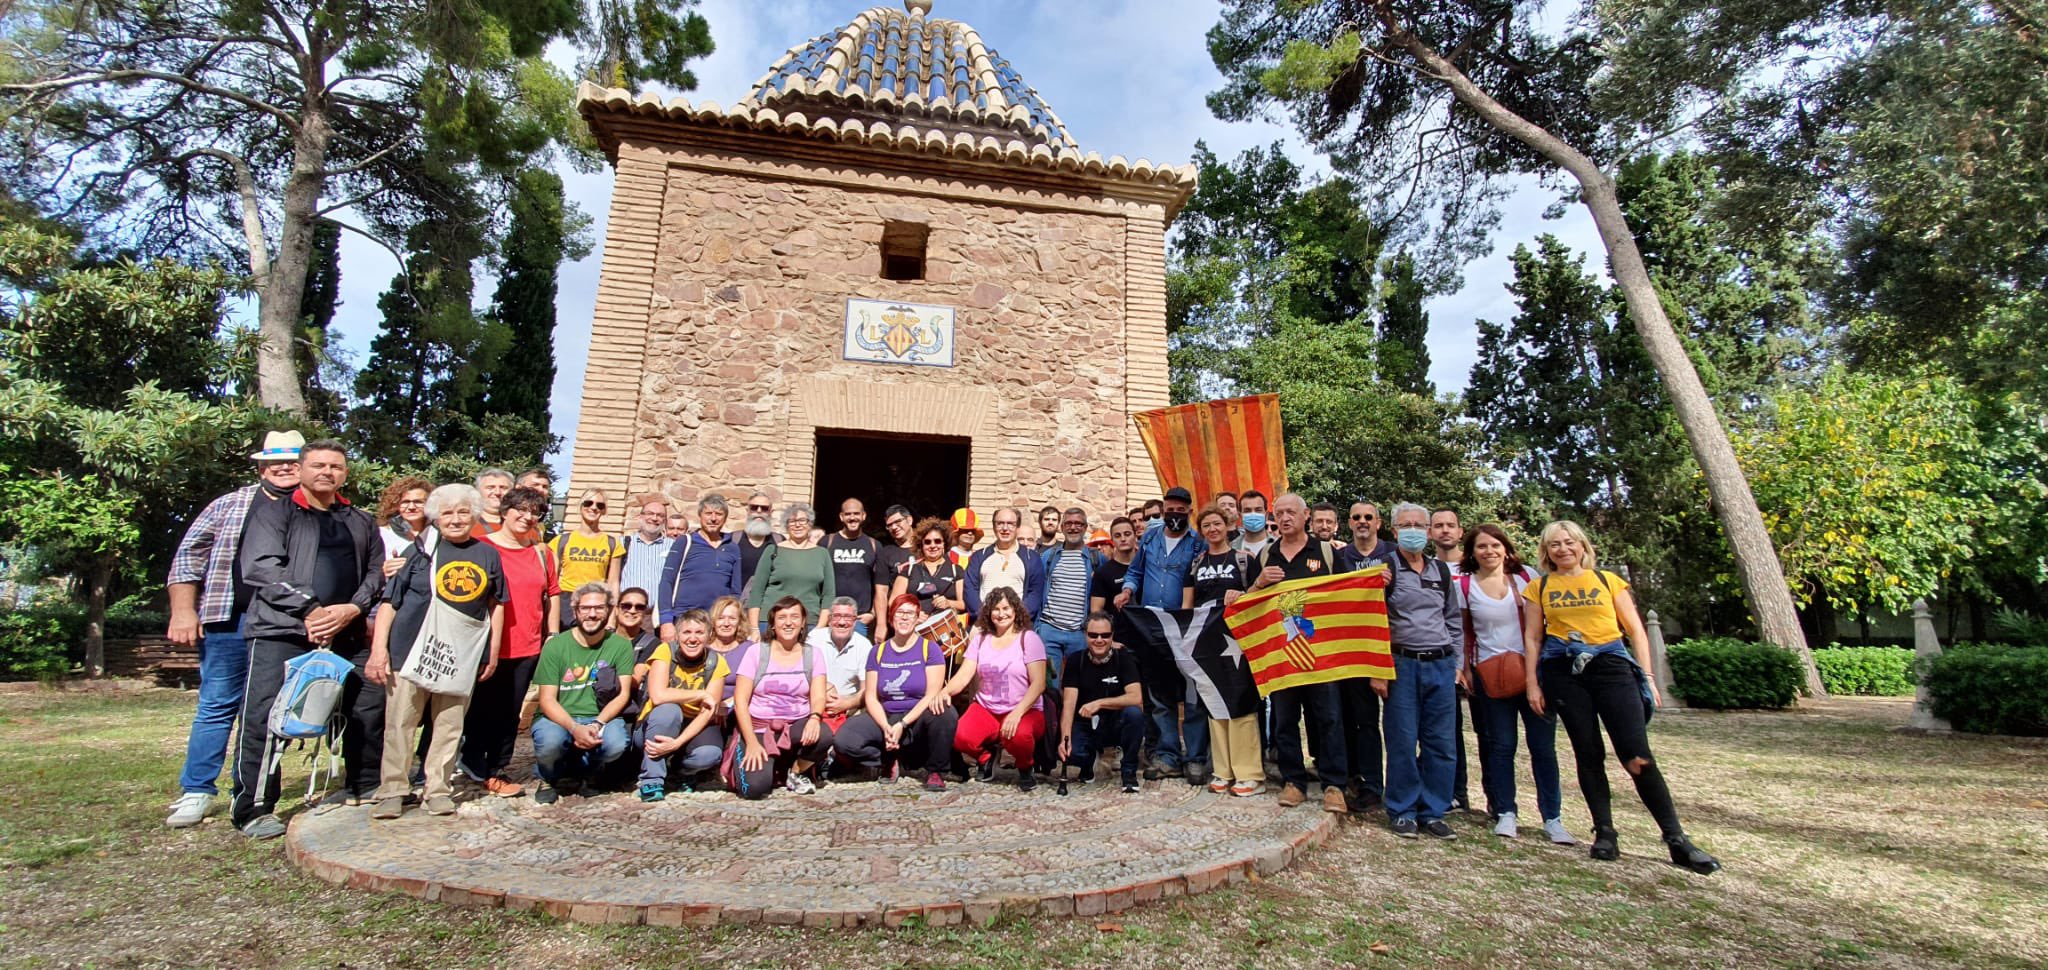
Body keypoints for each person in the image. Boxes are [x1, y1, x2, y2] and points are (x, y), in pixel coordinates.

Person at [1524, 521, 1720, 873]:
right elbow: (1533, 637)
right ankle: (1604, 832)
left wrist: (1647, 677)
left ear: (1583, 546)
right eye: (1554, 544)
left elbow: (1635, 631)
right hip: (1563, 672)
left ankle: (1676, 838)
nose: (1563, 549)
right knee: (1588, 753)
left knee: (1636, 755)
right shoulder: (1539, 588)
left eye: (1569, 542)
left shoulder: (1607, 581)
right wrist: (1532, 684)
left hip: (1612, 667)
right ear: (1546, 551)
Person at [230, 439, 384, 839]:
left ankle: (365, 784)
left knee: (368, 706)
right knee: (266, 716)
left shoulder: (360, 520)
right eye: (318, 465)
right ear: (300, 470)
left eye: (336, 466)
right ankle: (254, 806)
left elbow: (376, 571)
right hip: (282, 630)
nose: (327, 472)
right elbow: (261, 567)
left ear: (344, 474)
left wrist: (352, 609)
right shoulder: (273, 514)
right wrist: (311, 610)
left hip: (347, 629)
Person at [162, 430, 301, 828]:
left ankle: (253, 793)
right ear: (261, 467)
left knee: (268, 711)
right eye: (275, 461)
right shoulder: (230, 504)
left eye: (292, 461)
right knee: (217, 703)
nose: (283, 467)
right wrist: (183, 611)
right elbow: (187, 558)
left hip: (285, 623)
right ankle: (197, 790)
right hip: (229, 619)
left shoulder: (315, 509)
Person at [365, 484, 507, 820]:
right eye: (447, 513)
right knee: (400, 722)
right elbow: (389, 603)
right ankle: (394, 790)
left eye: (463, 512)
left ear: (474, 515)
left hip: (459, 654)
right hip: (409, 650)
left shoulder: (487, 554)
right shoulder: (421, 550)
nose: (455, 519)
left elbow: (496, 604)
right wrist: (378, 650)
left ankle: (438, 790)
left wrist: (493, 649)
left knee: (449, 725)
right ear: (436, 517)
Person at [1457, 524, 1574, 844]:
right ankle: (1505, 811)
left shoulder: (1527, 578)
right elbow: (1464, 632)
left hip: (1534, 673)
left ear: (1506, 548)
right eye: (1482, 546)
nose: (1489, 551)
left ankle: (1552, 817)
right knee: (1501, 745)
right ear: (1472, 552)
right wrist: (1465, 669)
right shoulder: (1465, 585)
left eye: (1495, 545)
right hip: (1490, 673)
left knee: (1542, 748)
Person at [1248, 492, 1350, 814]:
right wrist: (1259, 583)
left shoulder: (1326, 553)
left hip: (1322, 655)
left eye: (1291, 512)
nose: (1285, 518)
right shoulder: (1267, 555)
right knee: (1284, 721)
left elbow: (1347, 595)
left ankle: (1334, 785)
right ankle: (1293, 781)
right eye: (1279, 513)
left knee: (1329, 719)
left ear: (1306, 515)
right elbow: (1248, 604)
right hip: (1282, 656)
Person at [460, 486, 560, 798]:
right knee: (477, 710)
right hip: (485, 644)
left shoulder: (541, 553)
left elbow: (553, 594)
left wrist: (552, 635)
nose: (528, 517)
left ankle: (496, 769)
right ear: (505, 511)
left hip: (526, 645)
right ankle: (469, 761)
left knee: (508, 713)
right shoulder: (480, 547)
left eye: (535, 512)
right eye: (522, 509)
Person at [1375, 502, 1464, 840]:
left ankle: (1433, 811)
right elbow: (1373, 622)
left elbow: (1452, 618)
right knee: (1402, 740)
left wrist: (1457, 664)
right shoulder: (1385, 569)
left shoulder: (1440, 570)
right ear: (1394, 531)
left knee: (1441, 743)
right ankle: (1402, 810)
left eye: (1418, 525)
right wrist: (1379, 669)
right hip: (1403, 664)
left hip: (1441, 664)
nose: (1412, 531)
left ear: (1428, 532)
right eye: (1405, 525)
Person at [1113, 486, 1205, 783]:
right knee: (1159, 696)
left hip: (1185, 630)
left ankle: (1195, 758)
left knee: (1191, 695)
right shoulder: (1150, 538)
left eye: (1180, 511)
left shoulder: (1198, 543)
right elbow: (1135, 572)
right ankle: (1168, 756)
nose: (1174, 515)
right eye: (1170, 510)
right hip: (1152, 628)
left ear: (1189, 511)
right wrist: (1127, 590)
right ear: (1163, 511)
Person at [833, 594, 956, 790]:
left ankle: (935, 770)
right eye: (900, 612)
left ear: (917, 618)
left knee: (945, 713)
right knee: (844, 740)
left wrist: (903, 724)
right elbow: (871, 696)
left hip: (918, 716)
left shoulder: (930, 649)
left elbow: (932, 694)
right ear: (891, 618)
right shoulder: (878, 651)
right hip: (887, 713)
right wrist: (886, 727)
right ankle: (888, 758)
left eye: (910, 613)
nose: (904, 617)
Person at [530, 583, 638, 803]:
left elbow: (623, 694)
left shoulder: (620, 646)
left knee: (616, 744)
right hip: (560, 716)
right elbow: (547, 699)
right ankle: (547, 776)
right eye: (585, 608)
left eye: (599, 608)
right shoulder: (555, 646)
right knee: (550, 742)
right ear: (575, 610)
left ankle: (589, 772)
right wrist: (574, 728)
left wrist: (596, 724)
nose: (592, 614)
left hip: (599, 716)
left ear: (609, 610)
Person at [1184, 507, 1263, 797]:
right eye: (1206, 525)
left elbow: (1259, 596)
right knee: (1214, 701)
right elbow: (1187, 606)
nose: (1212, 529)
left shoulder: (1244, 560)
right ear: (1201, 531)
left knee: (1241, 700)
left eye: (1217, 523)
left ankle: (1249, 773)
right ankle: (1223, 770)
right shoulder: (1196, 564)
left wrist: (1241, 596)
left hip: (1239, 641)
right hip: (1207, 643)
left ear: (1228, 525)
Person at [943, 587, 1048, 790]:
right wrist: (944, 692)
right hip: (987, 707)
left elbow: (1039, 683)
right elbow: (964, 676)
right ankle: (986, 757)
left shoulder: (1029, 639)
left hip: (1024, 709)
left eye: (1006, 608)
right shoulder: (981, 640)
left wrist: (1017, 713)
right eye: (996, 609)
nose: (1001, 614)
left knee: (1019, 736)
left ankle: (1025, 766)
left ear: (1015, 610)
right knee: (959, 735)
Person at [732, 597, 835, 798]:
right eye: (782, 618)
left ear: (803, 622)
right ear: (772, 623)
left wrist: (815, 718)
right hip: (759, 729)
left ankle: (795, 772)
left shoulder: (813, 654)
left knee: (823, 734)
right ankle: (766, 764)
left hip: (795, 726)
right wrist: (751, 742)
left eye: (794, 617)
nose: (788, 623)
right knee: (753, 790)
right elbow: (740, 701)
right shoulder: (756, 652)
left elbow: (818, 695)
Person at [1335, 498, 1395, 810]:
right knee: (1358, 720)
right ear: (1349, 523)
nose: (1362, 522)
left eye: (1368, 517)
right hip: (1354, 650)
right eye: (1356, 517)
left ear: (1378, 523)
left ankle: (1390, 786)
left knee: (1396, 725)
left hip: (1392, 647)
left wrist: (1390, 584)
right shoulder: (1340, 557)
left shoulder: (1393, 555)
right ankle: (1362, 782)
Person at [635, 609, 730, 799]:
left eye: (699, 632)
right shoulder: (664, 651)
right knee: (669, 710)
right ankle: (651, 780)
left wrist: (677, 743)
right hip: (655, 724)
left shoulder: (716, 662)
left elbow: (707, 712)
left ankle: (682, 771)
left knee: (709, 754)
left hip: (693, 724)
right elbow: (658, 696)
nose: (692, 639)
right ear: (677, 636)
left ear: (709, 636)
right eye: (687, 632)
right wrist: (700, 693)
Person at [1429, 506, 1483, 813]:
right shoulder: (1426, 568)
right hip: (1447, 659)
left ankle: (1497, 802)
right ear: (1430, 532)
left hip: (1482, 657)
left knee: (1489, 734)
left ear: (1461, 532)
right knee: (1448, 730)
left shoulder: (1477, 569)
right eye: (1438, 525)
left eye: (1450, 525)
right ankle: (1455, 791)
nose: (1445, 530)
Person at [1057, 611, 1145, 793]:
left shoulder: (1123, 657)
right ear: (1085, 635)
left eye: (1105, 635)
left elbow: (1136, 697)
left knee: (1134, 714)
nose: (1099, 640)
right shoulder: (1075, 660)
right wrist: (1065, 739)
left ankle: (1128, 771)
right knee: (1071, 753)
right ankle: (1088, 761)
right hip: (1085, 723)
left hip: (1114, 722)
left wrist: (1099, 703)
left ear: (1112, 636)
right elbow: (1069, 705)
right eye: (1093, 635)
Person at [1037, 508, 1102, 690]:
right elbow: (1038, 589)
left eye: (1078, 524)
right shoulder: (1049, 557)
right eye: (1069, 523)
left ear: (1085, 527)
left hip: (1079, 632)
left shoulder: (1096, 558)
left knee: (1079, 684)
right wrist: (1038, 628)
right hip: (1049, 630)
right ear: (1062, 527)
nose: (1073, 527)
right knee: (1048, 686)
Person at [659, 494, 742, 632]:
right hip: (684, 618)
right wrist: (666, 621)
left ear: (725, 518)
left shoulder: (732, 547)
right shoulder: (685, 542)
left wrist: (733, 619)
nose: (713, 518)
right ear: (700, 515)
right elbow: (667, 581)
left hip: (717, 622)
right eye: (708, 513)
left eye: (719, 514)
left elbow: (735, 591)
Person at [747, 503, 834, 634]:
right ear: (786, 525)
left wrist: (820, 628)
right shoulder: (773, 550)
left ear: (810, 524)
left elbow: (828, 594)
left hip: (809, 623)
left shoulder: (822, 554)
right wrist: (754, 628)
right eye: (792, 521)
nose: (797, 525)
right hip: (772, 621)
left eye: (802, 520)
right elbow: (757, 591)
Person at [805, 597, 875, 737]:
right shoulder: (814, 639)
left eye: (848, 617)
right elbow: (800, 675)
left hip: (850, 707)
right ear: (829, 619)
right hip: (814, 701)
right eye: (837, 616)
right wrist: (824, 689)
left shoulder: (864, 645)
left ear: (855, 621)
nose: (842, 622)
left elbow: (868, 689)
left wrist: (846, 704)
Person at [553, 488, 625, 619]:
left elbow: (613, 583)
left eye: (600, 505)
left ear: (603, 511)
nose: (594, 508)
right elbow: (552, 581)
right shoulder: (561, 541)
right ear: (580, 507)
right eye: (588, 503)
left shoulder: (612, 543)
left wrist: (611, 617)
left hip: (596, 600)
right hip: (566, 601)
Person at [965, 507, 1046, 621]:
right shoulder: (979, 557)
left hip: (1017, 624)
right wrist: (983, 616)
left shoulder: (1031, 558)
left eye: (1010, 524)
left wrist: (1016, 619)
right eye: (1000, 523)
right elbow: (970, 589)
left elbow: (1035, 592)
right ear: (994, 527)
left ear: (1017, 528)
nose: (1005, 528)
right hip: (983, 623)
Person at [824, 498, 887, 638]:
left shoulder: (874, 545)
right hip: (831, 618)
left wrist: (875, 617)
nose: (852, 518)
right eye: (848, 514)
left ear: (863, 516)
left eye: (856, 513)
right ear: (841, 517)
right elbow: (817, 582)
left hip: (859, 620)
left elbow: (881, 588)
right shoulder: (827, 542)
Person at [892, 518, 967, 616]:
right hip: (915, 624)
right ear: (921, 545)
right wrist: (913, 613)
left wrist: (949, 603)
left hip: (945, 624)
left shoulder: (956, 570)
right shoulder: (909, 570)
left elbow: (964, 604)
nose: (933, 545)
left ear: (944, 543)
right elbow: (893, 602)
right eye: (927, 542)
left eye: (937, 541)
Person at [618, 494, 675, 622]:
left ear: (665, 521)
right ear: (640, 517)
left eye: (660, 515)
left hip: (657, 617)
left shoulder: (673, 547)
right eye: (650, 513)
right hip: (627, 613)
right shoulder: (623, 544)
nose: (654, 518)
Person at [874, 505, 918, 637]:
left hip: (926, 618)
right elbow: (881, 592)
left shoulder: (927, 546)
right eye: (889, 525)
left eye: (898, 522)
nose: (894, 527)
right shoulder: (886, 553)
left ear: (909, 520)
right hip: (898, 620)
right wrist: (881, 624)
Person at [375, 476, 431, 571]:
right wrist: (382, 571)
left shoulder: (437, 533)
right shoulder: (381, 535)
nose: (411, 507)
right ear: (396, 505)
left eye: (418, 502)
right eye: (405, 502)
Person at [1088, 516, 1138, 616]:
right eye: (1117, 536)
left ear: (1135, 536)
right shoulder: (1102, 573)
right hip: (1116, 625)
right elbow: (1096, 611)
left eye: (1127, 534)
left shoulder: (1147, 567)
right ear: (1112, 540)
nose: (1123, 539)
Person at [735, 492, 783, 593]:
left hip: (767, 600)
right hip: (737, 600)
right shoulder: (733, 539)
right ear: (747, 511)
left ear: (770, 512)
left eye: (764, 508)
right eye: (754, 507)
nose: (759, 511)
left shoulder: (780, 541)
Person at [1233, 490, 1273, 557]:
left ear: (1266, 515)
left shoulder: (1280, 545)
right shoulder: (1232, 548)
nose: (1253, 514)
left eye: (1258, 510)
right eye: (1247, 511)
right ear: (1240, 516)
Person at [474, 468, 513, 533]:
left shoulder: (522, 525)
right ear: (478, 491)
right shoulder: (467, 525)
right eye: (490, 487)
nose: (497, 492)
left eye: (503, 488)